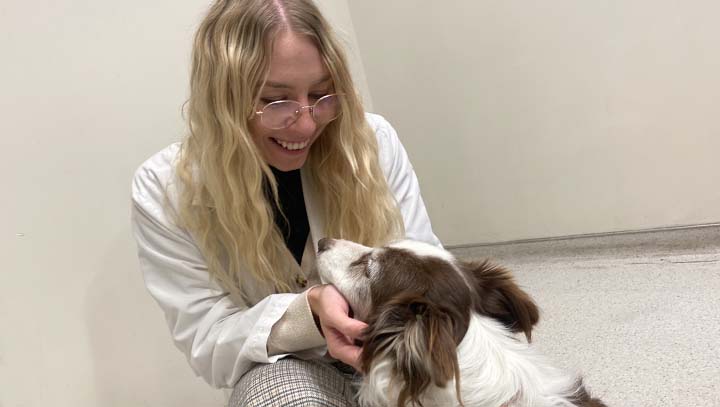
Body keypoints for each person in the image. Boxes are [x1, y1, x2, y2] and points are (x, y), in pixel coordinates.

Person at [130, 0, 441, 405]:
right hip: (285, 362)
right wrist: (308, 313)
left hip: (396, 348)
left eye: (321, 94)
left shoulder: (372, 143)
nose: (308, 122)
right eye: (277, 101)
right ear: (223, 100)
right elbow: (209, 344)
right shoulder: (165, 190)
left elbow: (425, 264)